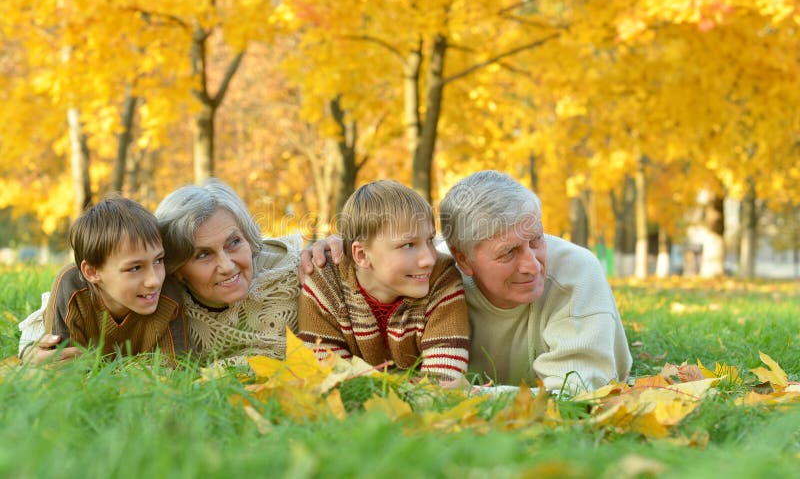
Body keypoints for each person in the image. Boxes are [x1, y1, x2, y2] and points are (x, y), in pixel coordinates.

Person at [303, 171, 632, 392]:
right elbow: (384, 258)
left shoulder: (577, 273)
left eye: (536, 240)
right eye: (508, 253)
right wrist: (340, 251)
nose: (532, 265)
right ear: (462, 259)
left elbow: (578, 393)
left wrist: (467, 398)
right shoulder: (432, 273)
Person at [20, 180, 302, 367]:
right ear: (178, 269)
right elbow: (49, 319)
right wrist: (32, 352)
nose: (227, 265)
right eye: (202, 254)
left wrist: (331, 245)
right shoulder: (163, 294)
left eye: (234, 242)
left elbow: (338, 259)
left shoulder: (289, 270)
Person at [298, 180, 470, 380]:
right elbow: (329, 379)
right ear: (361, 255)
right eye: (408, 245)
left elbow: (444, 381)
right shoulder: (325, 283)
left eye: (430, 240)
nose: (429, 259)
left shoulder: (442, 278)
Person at [20, 197, 188, 364]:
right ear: (92, 272)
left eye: (158, 260)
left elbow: (175, 371)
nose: (154, 281)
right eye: (135, 268)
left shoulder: (168, 294)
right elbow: (65, 369)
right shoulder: (72, 288)